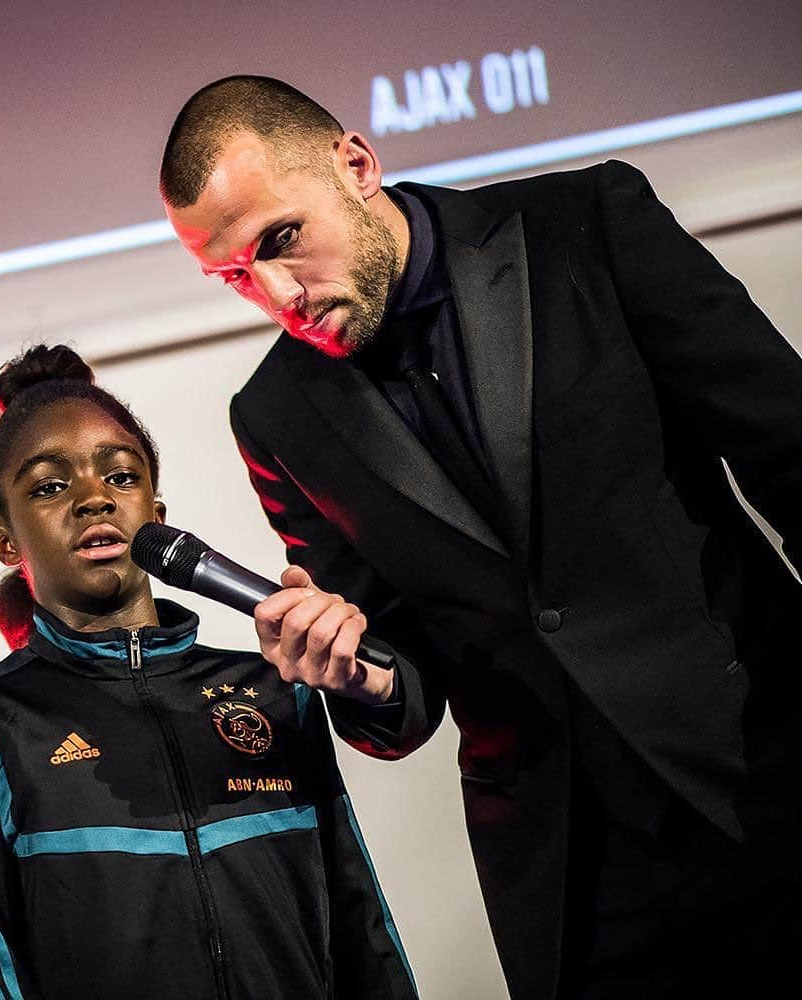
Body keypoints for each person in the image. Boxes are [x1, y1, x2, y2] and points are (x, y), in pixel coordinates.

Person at [160, 76, 802, 999]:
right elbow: (402, 681)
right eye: (233, 277)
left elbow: (787, 448)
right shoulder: (275, 416)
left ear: (355, 164)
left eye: (280, 240)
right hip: (575, 886)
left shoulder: (584, 225)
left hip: (764, 770)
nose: (275, 294)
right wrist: (359, 671)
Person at [0, 344, 419, 1000]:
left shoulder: (274, 689)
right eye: (49, 485)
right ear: (7, 541)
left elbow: (358, 921)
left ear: (157, 516)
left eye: (120, 477)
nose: (94, 498)